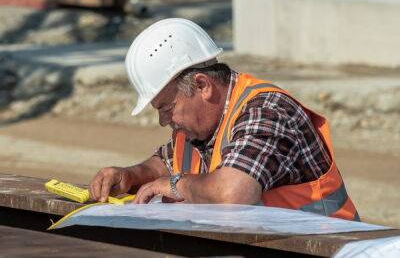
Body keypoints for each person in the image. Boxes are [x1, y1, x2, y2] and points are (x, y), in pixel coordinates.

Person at [89, 18, 360, 221]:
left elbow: (233, 195)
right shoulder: (201, 125)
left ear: (202, 85)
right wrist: (130, 175)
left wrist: (175, 185)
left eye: (166, 107)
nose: (163, 120)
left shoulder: (266, 111)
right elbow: (167, 162)